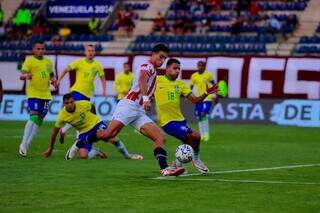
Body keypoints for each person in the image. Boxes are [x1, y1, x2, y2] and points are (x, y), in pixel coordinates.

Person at [75, 44, 184, 176]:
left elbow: (145, 85)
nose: (162, 61)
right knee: (108, 134)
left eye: (164, 59)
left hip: (138, 111)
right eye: (160, 57)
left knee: (160, 138)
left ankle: (165, 169)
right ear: (153, 54)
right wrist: (146, 99)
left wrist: (149, 97)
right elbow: (142, 78)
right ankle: (82, 142)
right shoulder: (147, 66)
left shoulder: (154, 70)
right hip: (128, 105)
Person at [155, 58, 218, 174]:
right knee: (195, 135)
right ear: (167, 68)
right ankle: (196, 159)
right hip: (167, 122)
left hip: (180, 120)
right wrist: (144, 100)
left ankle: (176, 164)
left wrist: (206, 93)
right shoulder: (156, 80)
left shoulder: (181, 85)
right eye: (175, 68)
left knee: (191, 140)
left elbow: (195, 100)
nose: (177, 71)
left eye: (179, 69)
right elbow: (143, 88)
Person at [42, 94, 143, 160]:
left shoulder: (83, 104)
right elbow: (54, 133)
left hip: (96, 124)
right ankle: (96, 152)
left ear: (74, 101)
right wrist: (50, 149)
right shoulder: (62, 116)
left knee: (113, 139)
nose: (70, 105)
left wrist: (94, 116)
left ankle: (128, 156)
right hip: (83, 133)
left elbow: (92, 106)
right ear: (64, 104)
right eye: (67, 103)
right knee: (83, 156)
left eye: (71, 102)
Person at [57, 44, 106, 141]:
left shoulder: (97, 65)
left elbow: (103, 78)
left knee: (81, 116)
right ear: (85, 52)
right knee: (80, 115)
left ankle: (67, 132)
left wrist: (104, 90)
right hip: (77, 92)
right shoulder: (79, 62)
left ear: (94, 52)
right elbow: (66, 70)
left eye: (92, 50)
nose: (90, 52)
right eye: (89, 50)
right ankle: (75, 137)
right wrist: (58, 80)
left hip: (87, 95)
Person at [19, 41, 57, 157]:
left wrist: (54, 81)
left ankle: (28, 144)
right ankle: (23, 144)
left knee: (39, 121)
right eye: (38, 48)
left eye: (42, 48)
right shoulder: (29, 61)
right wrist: (27, 76)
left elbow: (51, 75)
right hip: (34, 93)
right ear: (34, 50)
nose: (41, 50)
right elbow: (21, 75)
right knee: (34, 117)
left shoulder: (48, 62)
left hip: (46, 95)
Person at [190, 61, 215, 142]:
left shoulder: (209, 75)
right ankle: (202, 135)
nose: (200, 67)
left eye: (201, 66)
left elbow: (214, 85)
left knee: (203, 114)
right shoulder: (194, 76)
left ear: (204, 67)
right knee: (200, 117)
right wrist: (189, 96)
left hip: (207, 98)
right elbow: (191, 86)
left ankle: (206, 134)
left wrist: (216, 95)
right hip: (199, 98)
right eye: (198, 66)